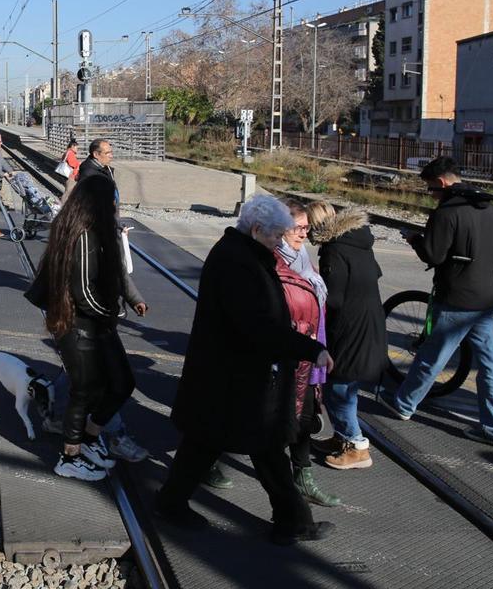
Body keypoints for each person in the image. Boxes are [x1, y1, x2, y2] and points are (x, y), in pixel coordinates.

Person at [158, 195, 333, 544]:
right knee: (256, 445)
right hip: (236, 375)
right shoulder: (240, 263)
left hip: (229, 373)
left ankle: (173, 503)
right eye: (275, 235)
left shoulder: (240, 253)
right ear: (256, 229)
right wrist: (310, 348)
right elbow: (258, 325)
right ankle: (292, 520)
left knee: (212, 443)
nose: (280, 241)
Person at [386, 157, 493, 448]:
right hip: (485, 301)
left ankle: (404, 404)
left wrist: (415, 239)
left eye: (431, 189)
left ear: (442, 183)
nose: (431, 195)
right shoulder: (491, 209)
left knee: (433, 356)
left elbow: (433, 255)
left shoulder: (447, 212)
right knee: (491, 366)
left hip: (455, 298)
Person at [36, 174, 147, 481]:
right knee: (83, 390)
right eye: (113, 200)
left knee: (121, 383)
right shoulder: (82, 235)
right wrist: (112, 314)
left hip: (95, 324)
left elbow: (116, 275)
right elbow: (83, 291)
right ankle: (69, 457)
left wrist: (129, 300)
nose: (116, 206)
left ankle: (88, 438)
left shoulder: (97, 230)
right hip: (78, 324)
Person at [306, 201, 386, 471]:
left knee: (337, 388)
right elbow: (376, 272)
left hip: (349, 327)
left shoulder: (333, 250)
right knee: (348, 385)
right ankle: (342, 437)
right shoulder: (359, 240)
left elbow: (335, 298)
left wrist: (313, 284)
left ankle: (356, 445)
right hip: (370, 321)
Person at [274, 201, 339, 508]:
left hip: (310, 344)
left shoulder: (301, 256)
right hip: (284, 350)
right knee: (258, 416)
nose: (303, 234)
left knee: (305, 413)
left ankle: (303, 476)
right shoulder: (273, 260)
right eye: (297, 228)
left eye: (305, 228)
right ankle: (208, 461)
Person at [60, 137, 81, 203]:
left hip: (69, 175)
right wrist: (79, 164)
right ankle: (62, 206)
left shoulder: (67, 152)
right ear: (72, 146)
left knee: (69, 191)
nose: (77, 149)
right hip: (71, 176)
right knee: (68, 192)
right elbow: (73, 164)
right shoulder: (70, 153)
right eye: (77, 147)